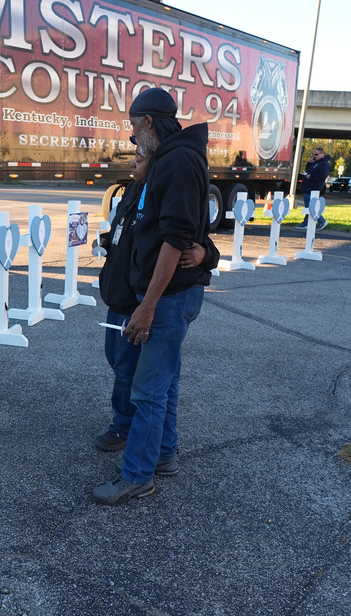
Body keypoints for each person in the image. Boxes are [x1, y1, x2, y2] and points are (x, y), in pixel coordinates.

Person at [91, 87, 210, 506]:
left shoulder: (176, 161)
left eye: (132, 125)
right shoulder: (169, 160)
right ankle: (163, 456)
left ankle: (137, 475)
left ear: (147, 122)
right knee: (165, 383)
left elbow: (175, 241)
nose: (131, 135)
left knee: (148, 390)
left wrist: (147, 305)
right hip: (167, 295)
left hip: (167, 298)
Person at [94, 150, 206, 455]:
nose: (132, 162)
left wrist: (207, 254)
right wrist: (106, 240)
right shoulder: (131, 191)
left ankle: (126, 430)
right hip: (117, 297)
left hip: (138, 303)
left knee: (140, 379)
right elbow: (124, 234)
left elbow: (189, 241)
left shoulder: (165, 194)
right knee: (119, 364)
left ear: (154, 163)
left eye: (140, 158)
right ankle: (159, 448)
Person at [294, 147, 330, 230]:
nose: (315, 156)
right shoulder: (316, 163)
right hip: (308, 188)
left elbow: (322, 175)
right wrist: (310, 163)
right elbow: (309, 170)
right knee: (309, 206)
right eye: (314, 155)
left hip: (313, 188)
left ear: (321, 154)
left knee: (311, 207)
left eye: (316, 154)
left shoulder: (324, 164)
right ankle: (307, 222)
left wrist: (311, 177)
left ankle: (321, 221)